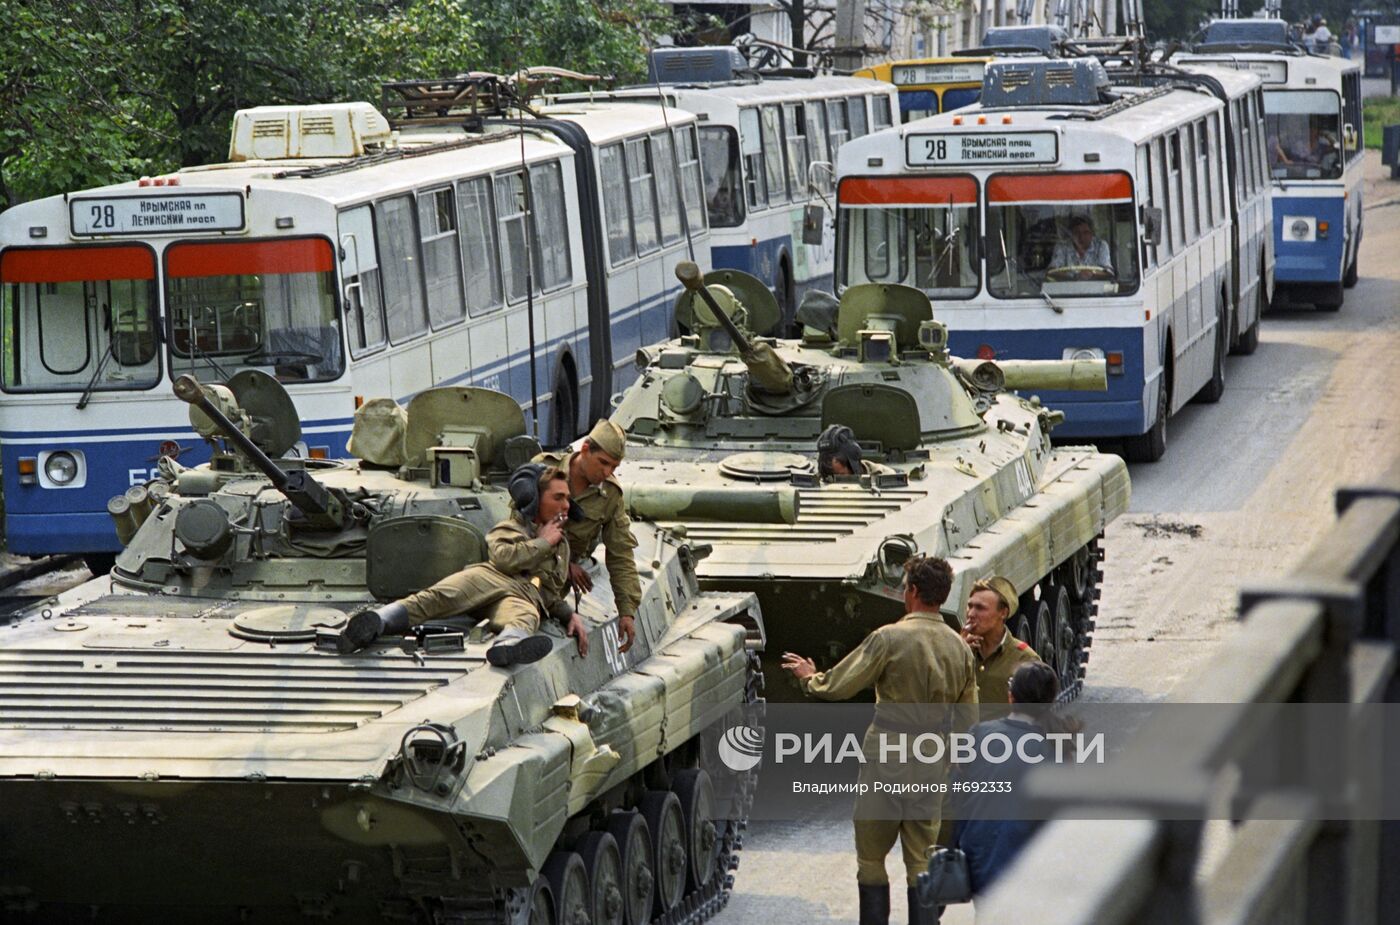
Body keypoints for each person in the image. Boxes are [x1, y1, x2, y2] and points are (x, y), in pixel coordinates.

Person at [781, 556, 978, 925]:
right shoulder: (960, 648)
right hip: (932, 760)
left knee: (871, 860)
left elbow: (839, 686)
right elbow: (968, 720)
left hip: (885, 756)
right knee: (921, 859)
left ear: (913, 591)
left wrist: (810, 677)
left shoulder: (889, 638)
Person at [338, 463, 591, 667]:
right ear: (535, 499)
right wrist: (543, 542)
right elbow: (504, 558)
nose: (566, 505)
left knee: (525, 617)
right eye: (558, 497)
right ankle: (377, 621)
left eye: (568, 499)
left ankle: (507, 648)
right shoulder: (511, 528)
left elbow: (550, 592)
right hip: (490, 578)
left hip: (525, 597)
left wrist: (570, 615)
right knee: (436, 597)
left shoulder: (562, 546)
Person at [951, 661, 1078, 896]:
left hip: (979, 858)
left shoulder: (978, 734)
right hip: (1029, 862)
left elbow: (955, 796)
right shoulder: (1056, 747)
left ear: (1010, 696)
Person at [536, 419, 639, 653]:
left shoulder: (609, 495)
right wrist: (566, 564)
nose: (607, 472)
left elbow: (620, 553)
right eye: (602, 463)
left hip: (554, 589)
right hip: (525, 572)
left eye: (614, 467)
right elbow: (518, 529)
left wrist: (627, 611)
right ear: (584, 450)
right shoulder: (542, 472)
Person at [960, 576, 1041, 706]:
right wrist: (957, 652)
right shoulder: (961, 649)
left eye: (980, 608)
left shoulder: (1024, 658)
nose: (971, 614)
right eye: (970, 606)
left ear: (1003, 613)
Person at [817, 424, 894, 479]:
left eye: (841, 476)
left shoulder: (885, 476)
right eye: (831, 476)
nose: (836, 482)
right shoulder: (816, 480)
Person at [1046, 215, 1113, 277]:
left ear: (1092, 234)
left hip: (1096, 288)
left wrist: (1091, 274)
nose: (1081, 237)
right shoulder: (1062, 247)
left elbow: (1108, 273)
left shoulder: (1101, 246)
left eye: (1085, 232)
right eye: (1077, 233)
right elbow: (1051, 271)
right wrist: (1074, 276)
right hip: (1067, 288)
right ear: (1071, 235)